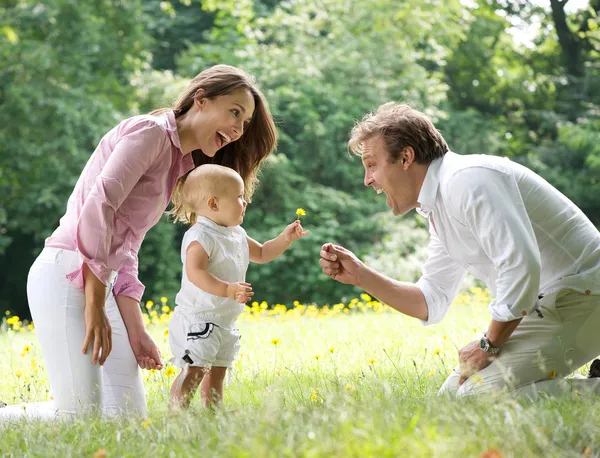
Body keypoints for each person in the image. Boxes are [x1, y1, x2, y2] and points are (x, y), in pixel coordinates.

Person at [0, 65, 277, 420]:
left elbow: (126, 249)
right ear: (201, 100)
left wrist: (136, 329)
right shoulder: (151, 133)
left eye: (246, 122)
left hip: (102, 283)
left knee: (127, 418)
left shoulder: (179, 163)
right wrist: (94, 304)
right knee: (79, 416)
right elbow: (99, 206)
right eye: (235, 112)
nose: (239, 129)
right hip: (67, 276)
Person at [319, 102, 600, 397]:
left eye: (371, 165)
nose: (367, 180)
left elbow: (521, 265)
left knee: (474, 398)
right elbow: (430, 300)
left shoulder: (467, 181)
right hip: (550, 308)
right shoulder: (440, 205)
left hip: (585, 299)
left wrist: (488, 345)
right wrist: (361, 276)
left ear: (405, 157)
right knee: (450, 397)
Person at [167, 164, 309, 410]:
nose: (245, 202)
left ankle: (214, 411)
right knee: (196, 367)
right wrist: (227, 290)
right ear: (213, 204)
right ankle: (177, 412)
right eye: (239, 197)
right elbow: (195, 272)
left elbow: (263, 253)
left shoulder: (236, 234)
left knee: (218, 370)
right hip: (199, 317)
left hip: (224, 319)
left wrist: (284, 238)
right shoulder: (201, 236)